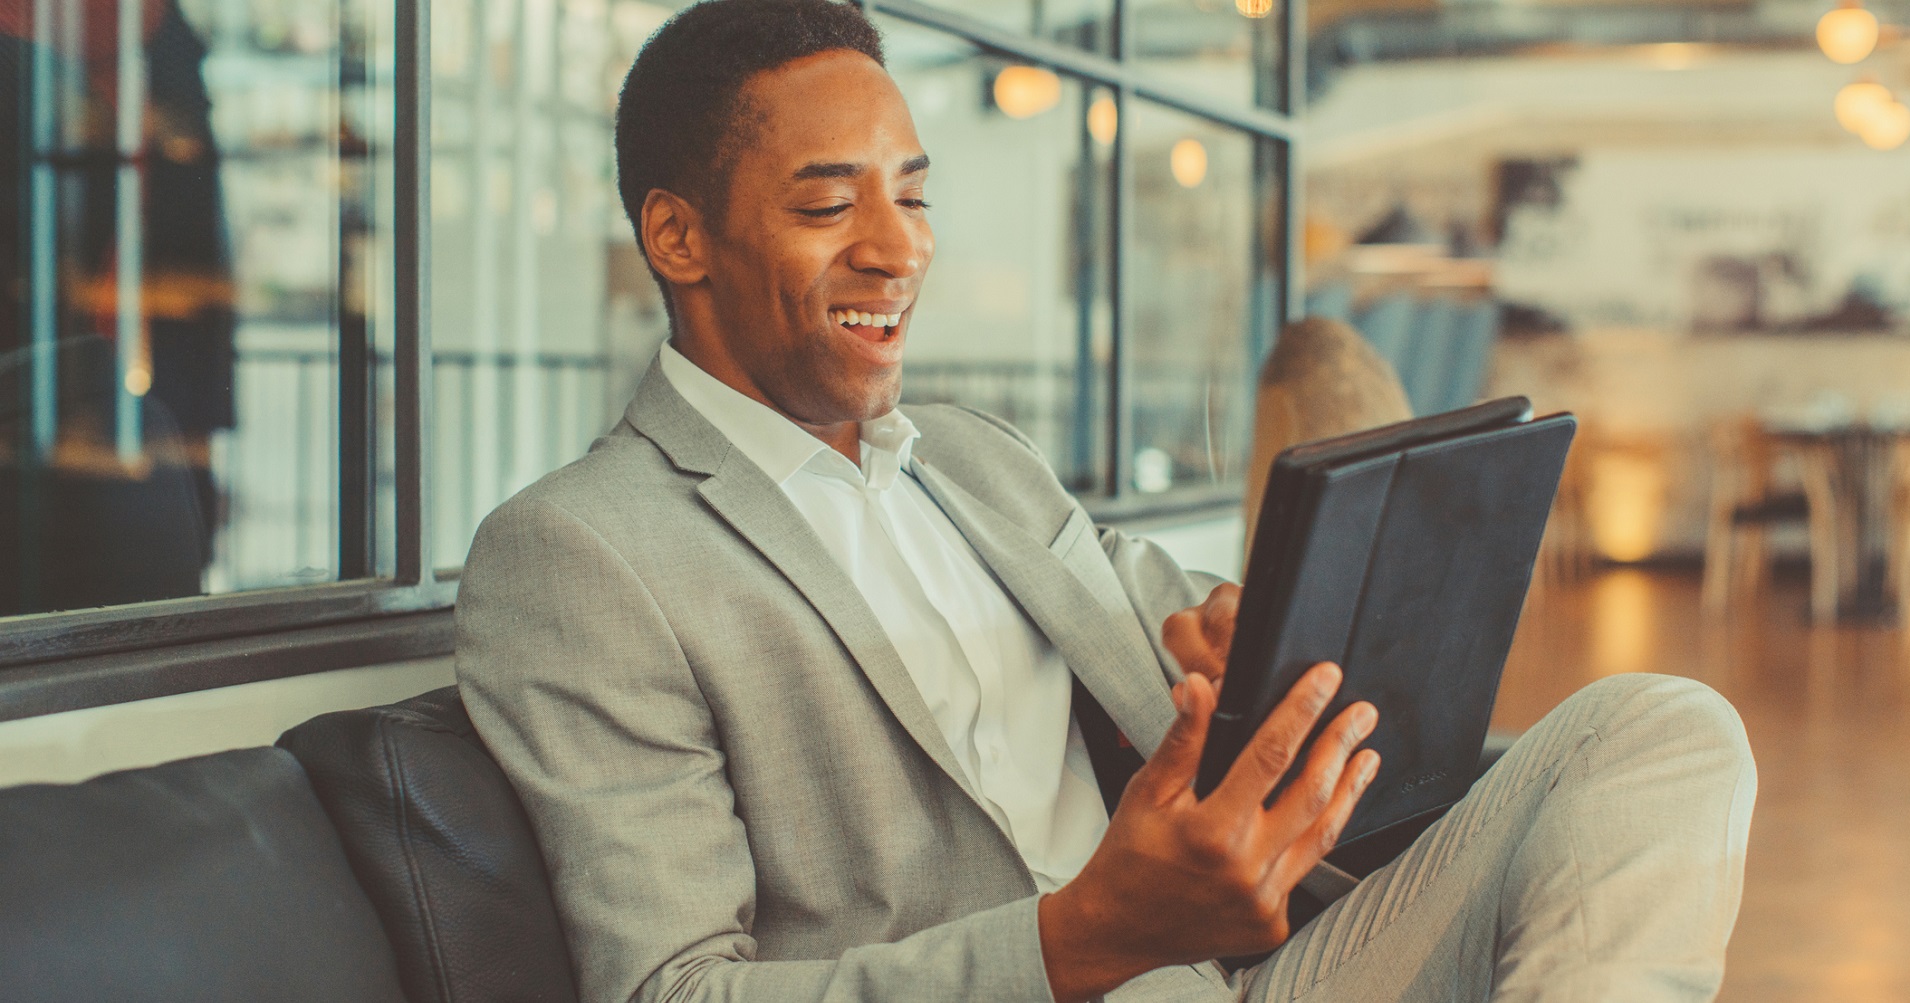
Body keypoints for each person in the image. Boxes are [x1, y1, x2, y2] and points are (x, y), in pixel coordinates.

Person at [454, 3, 1758, 1000]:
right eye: (824, 202)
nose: (895, 246)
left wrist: (1241, 643)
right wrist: (1078, 939)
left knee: (1662, 729)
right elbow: (679, 992)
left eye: (911, 193)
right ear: (679, 239)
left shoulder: (971, 460)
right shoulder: (578, 556)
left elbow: (1190, 624)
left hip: (1245, 974)